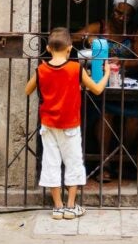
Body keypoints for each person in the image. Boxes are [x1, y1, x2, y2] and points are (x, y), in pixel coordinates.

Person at [25, 26, 108, 220]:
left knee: (51, 163)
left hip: (48, 125)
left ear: (47, 48)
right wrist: (105, 73)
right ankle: (71, 206)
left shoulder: (42, 70)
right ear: (70, 48)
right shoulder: (75, 68)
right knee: (74, 163)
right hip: (70, 124)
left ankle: (58, 207)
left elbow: (27, 90)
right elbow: (96, 90)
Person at [73, 0, 138, 181]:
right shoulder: (101, 27)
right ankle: (104, 165)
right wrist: (87, 38)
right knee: (104, 114)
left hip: (127, 84)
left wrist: (120, 62)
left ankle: (121, 162)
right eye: (118, 12)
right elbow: (72, 38)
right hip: (102, 84)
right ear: (112, 9)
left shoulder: (135, 32)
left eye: (127, 15)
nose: (122, 17)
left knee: (135, 120)